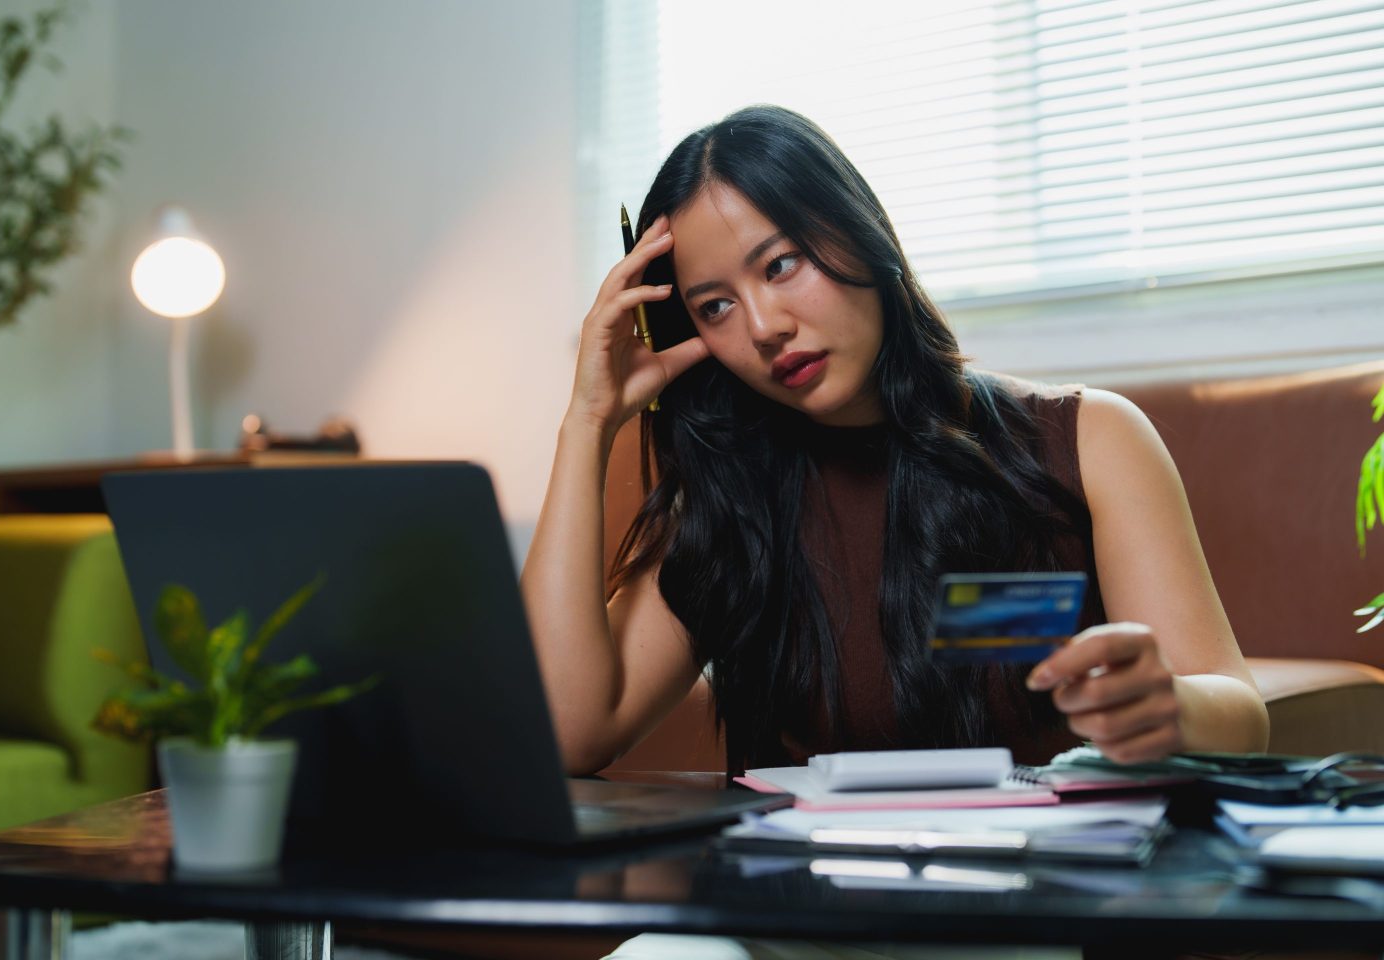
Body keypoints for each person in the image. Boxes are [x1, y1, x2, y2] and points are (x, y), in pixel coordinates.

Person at [520, 103, 1268, 787]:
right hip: (790, 914)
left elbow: (1240, 714)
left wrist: (1168, 705)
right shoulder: (729, 500)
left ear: (857, 229)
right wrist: (587, 423)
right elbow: (563, 735)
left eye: (781, 265)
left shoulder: (1087, 440)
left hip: (1028, 908)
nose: (763, 326)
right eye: (714, 306)